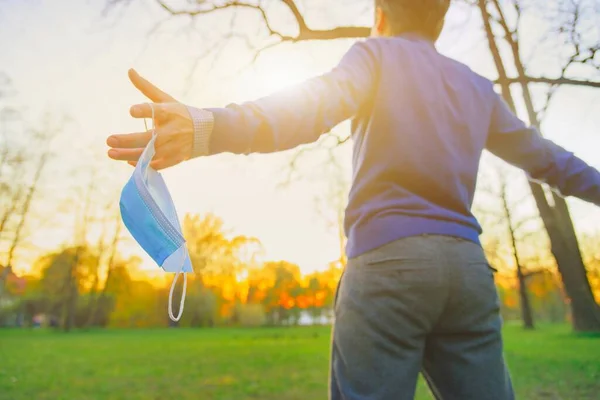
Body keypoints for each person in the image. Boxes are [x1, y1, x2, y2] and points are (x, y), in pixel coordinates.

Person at [107, 0, 600, 398]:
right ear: (441, 18)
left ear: (379, 14)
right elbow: (550, 160)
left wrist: (210, 128)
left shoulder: (375, 55)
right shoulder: (476, 87)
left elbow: (309, 108)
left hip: (389, 267)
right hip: (467, 273)